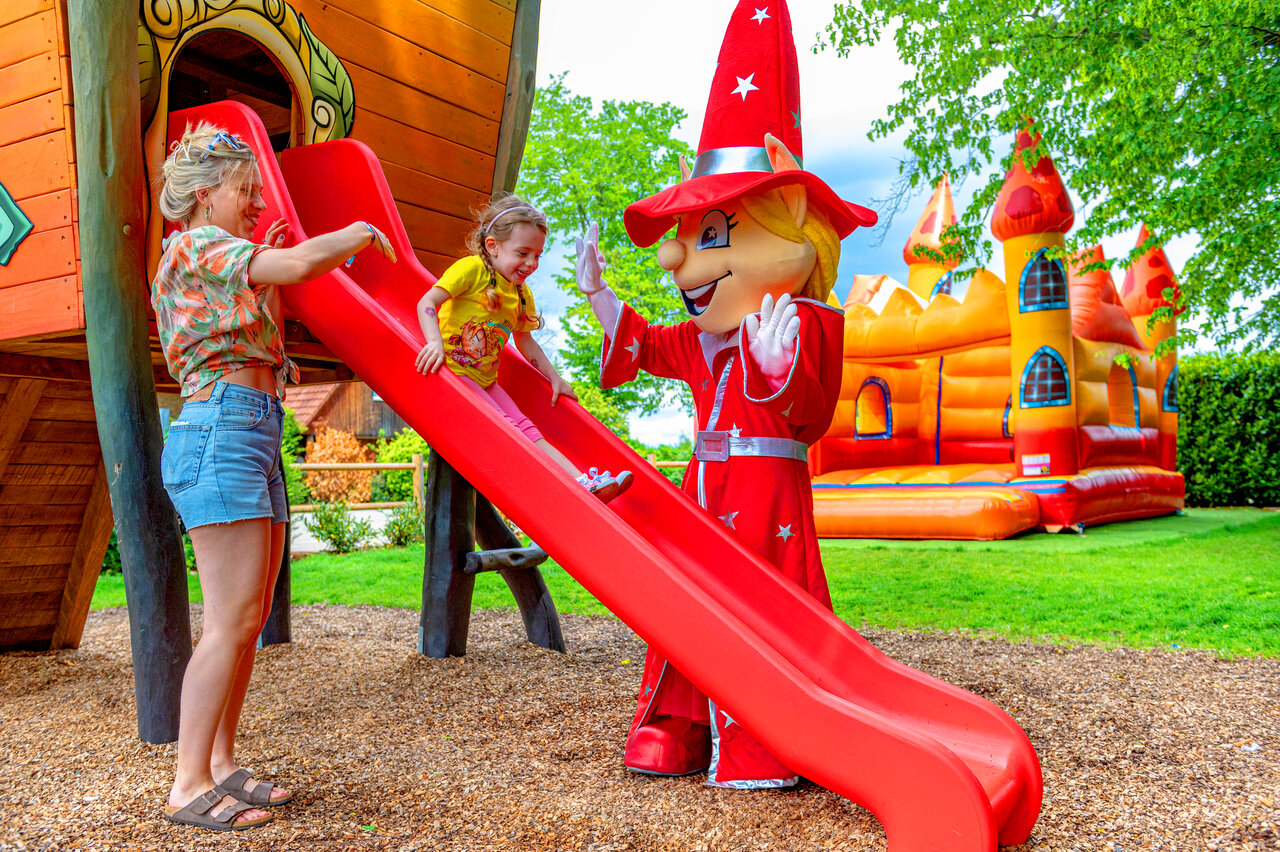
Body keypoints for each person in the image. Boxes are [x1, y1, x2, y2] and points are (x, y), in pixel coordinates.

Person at [152, 122, 396, 831]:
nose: (255, 203)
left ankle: (223, 763)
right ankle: (187, 783)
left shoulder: (227, 258)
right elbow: (291, 270)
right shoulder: (199, 244)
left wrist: (284, 250)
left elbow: (275, 292)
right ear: (203, 197)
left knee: (248, 620)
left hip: (251, 423)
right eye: (244, 191)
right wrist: (350, 235)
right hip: (220, 427)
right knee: (227, 621)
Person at [413, 194, 632, 502]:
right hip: (453, 376)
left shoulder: (521, 293)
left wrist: (555, 377)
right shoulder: (471, 270)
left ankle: (580, 481)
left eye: (538, 255)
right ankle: (563, 488)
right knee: (508, 428)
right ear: (493, 246)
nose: (531, 263)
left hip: (486, 382)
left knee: (526, 427)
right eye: (523, 252)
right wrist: (434, 343)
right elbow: (428, 302)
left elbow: (526, 341)